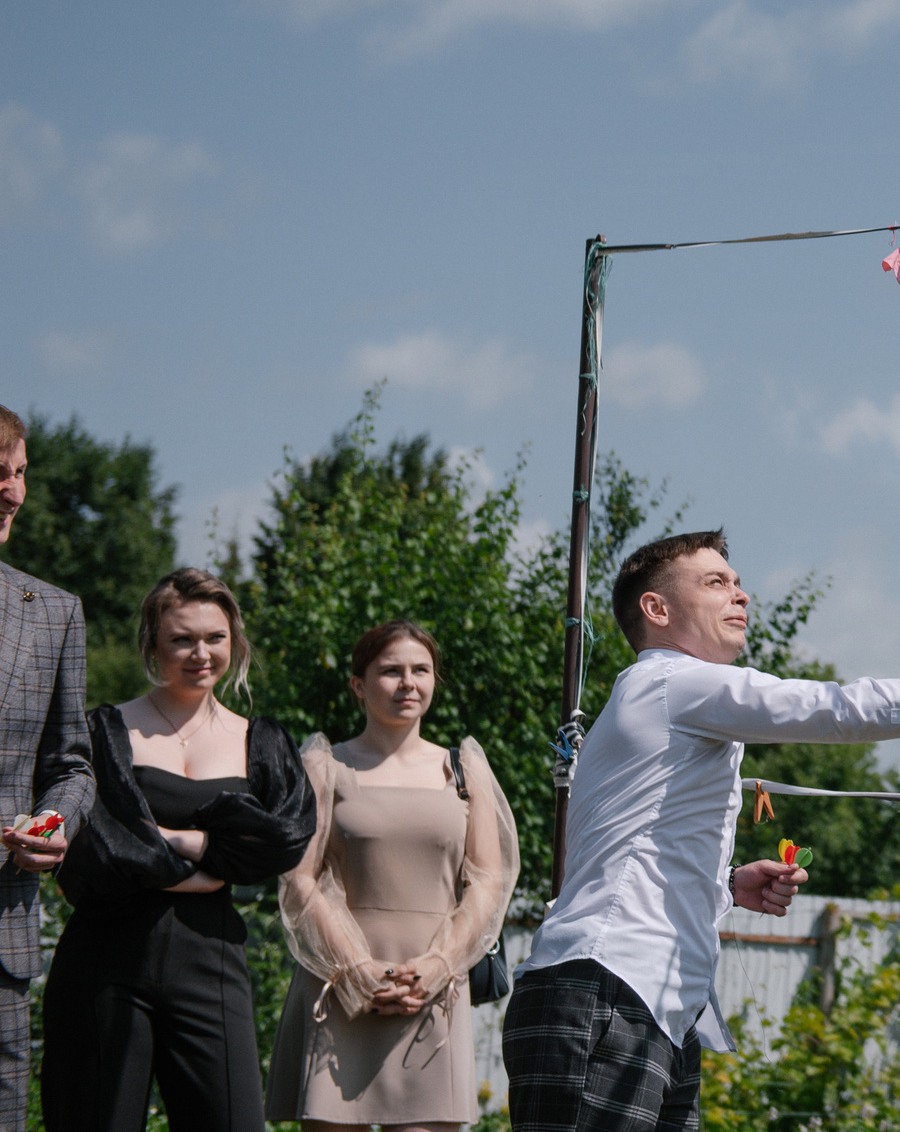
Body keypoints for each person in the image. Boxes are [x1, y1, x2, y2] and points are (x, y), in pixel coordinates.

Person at [504, 529, 900, 1132]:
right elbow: (844, 709)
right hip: (607, 991)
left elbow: (626, 850)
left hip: (655, 1009)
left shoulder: (667, 704)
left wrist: (726, 884)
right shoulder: (671, 683)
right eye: (716, 583)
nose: (740, 596)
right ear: (656, 610)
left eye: (738, 584)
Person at [43, 568, 316, 1132]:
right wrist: (216, 855)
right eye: (181, 639)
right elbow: (91, 851)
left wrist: (169, 843)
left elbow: (283, 840)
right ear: (152, 643)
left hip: (211, 961)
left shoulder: (260, 741)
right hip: (105, 960)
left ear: (234, 642)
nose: (201, 653)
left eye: (214, 638)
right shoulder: (104, 732)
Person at [268, 619, 519, 1130]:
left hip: (433, 985)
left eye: (420, 670)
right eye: (391, 671)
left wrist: (439, 965)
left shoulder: (466, 770)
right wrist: (356, 971)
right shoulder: (324, 766)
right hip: (338, 983)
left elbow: (489, 883)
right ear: (359, 685)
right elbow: (299, 880)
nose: (408, 682)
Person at [0, 404, 96, 1132]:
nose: (12, 490)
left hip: (2, 933)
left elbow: (71, 763)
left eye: (20, 473)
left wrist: (53, 821)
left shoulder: (54, 613)